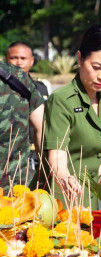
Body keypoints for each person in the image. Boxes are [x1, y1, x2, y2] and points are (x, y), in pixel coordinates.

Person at [40, 24, 101, 205]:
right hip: (71, 197)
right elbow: (57, 155)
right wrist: (65, 178)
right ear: (79, 58)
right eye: (97, 67)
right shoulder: (62, 100)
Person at [6, 42, 51, 172]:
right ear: (6, 60)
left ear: (31, 61)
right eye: (14, 58)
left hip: (37, 151)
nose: (19, 62)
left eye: (23, 58)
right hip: (11, 154)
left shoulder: (42, 87)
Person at [0, 61, 44, 191]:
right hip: (19, 191)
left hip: (17, 189)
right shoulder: (16, 74)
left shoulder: (15, 76)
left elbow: (41, 128)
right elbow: (42, 128)